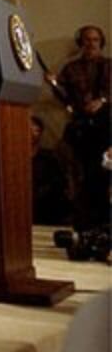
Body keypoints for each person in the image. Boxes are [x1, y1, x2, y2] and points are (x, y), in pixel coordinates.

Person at [55, 25, 110, 236]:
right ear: (80, 43)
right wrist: (53, 82)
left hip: (106, 126)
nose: (91, 44)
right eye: (87, 40)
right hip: (82, 127)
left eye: (95, 39)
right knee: (82, 175)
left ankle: (104, 222)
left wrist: (103, 101)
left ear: (101, 42)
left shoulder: (110, 65)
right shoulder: (70, 69)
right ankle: (85, 223)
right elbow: (63, 95)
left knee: (102, 174)